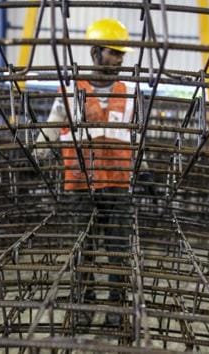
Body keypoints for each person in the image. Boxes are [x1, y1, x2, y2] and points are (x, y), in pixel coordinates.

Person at [36, 18, 150, 328]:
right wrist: (38, 155)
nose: (117, 60)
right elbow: (51, 125)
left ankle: (116, 305)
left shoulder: (131, 91)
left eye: (121, 55)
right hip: (79, 183)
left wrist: (147, 171)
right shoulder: (71, 89)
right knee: (82, 247)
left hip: (117, 185)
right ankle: (84, 304)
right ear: (95, 52)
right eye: (112, 52)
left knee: (118, 248)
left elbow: (136, 137)